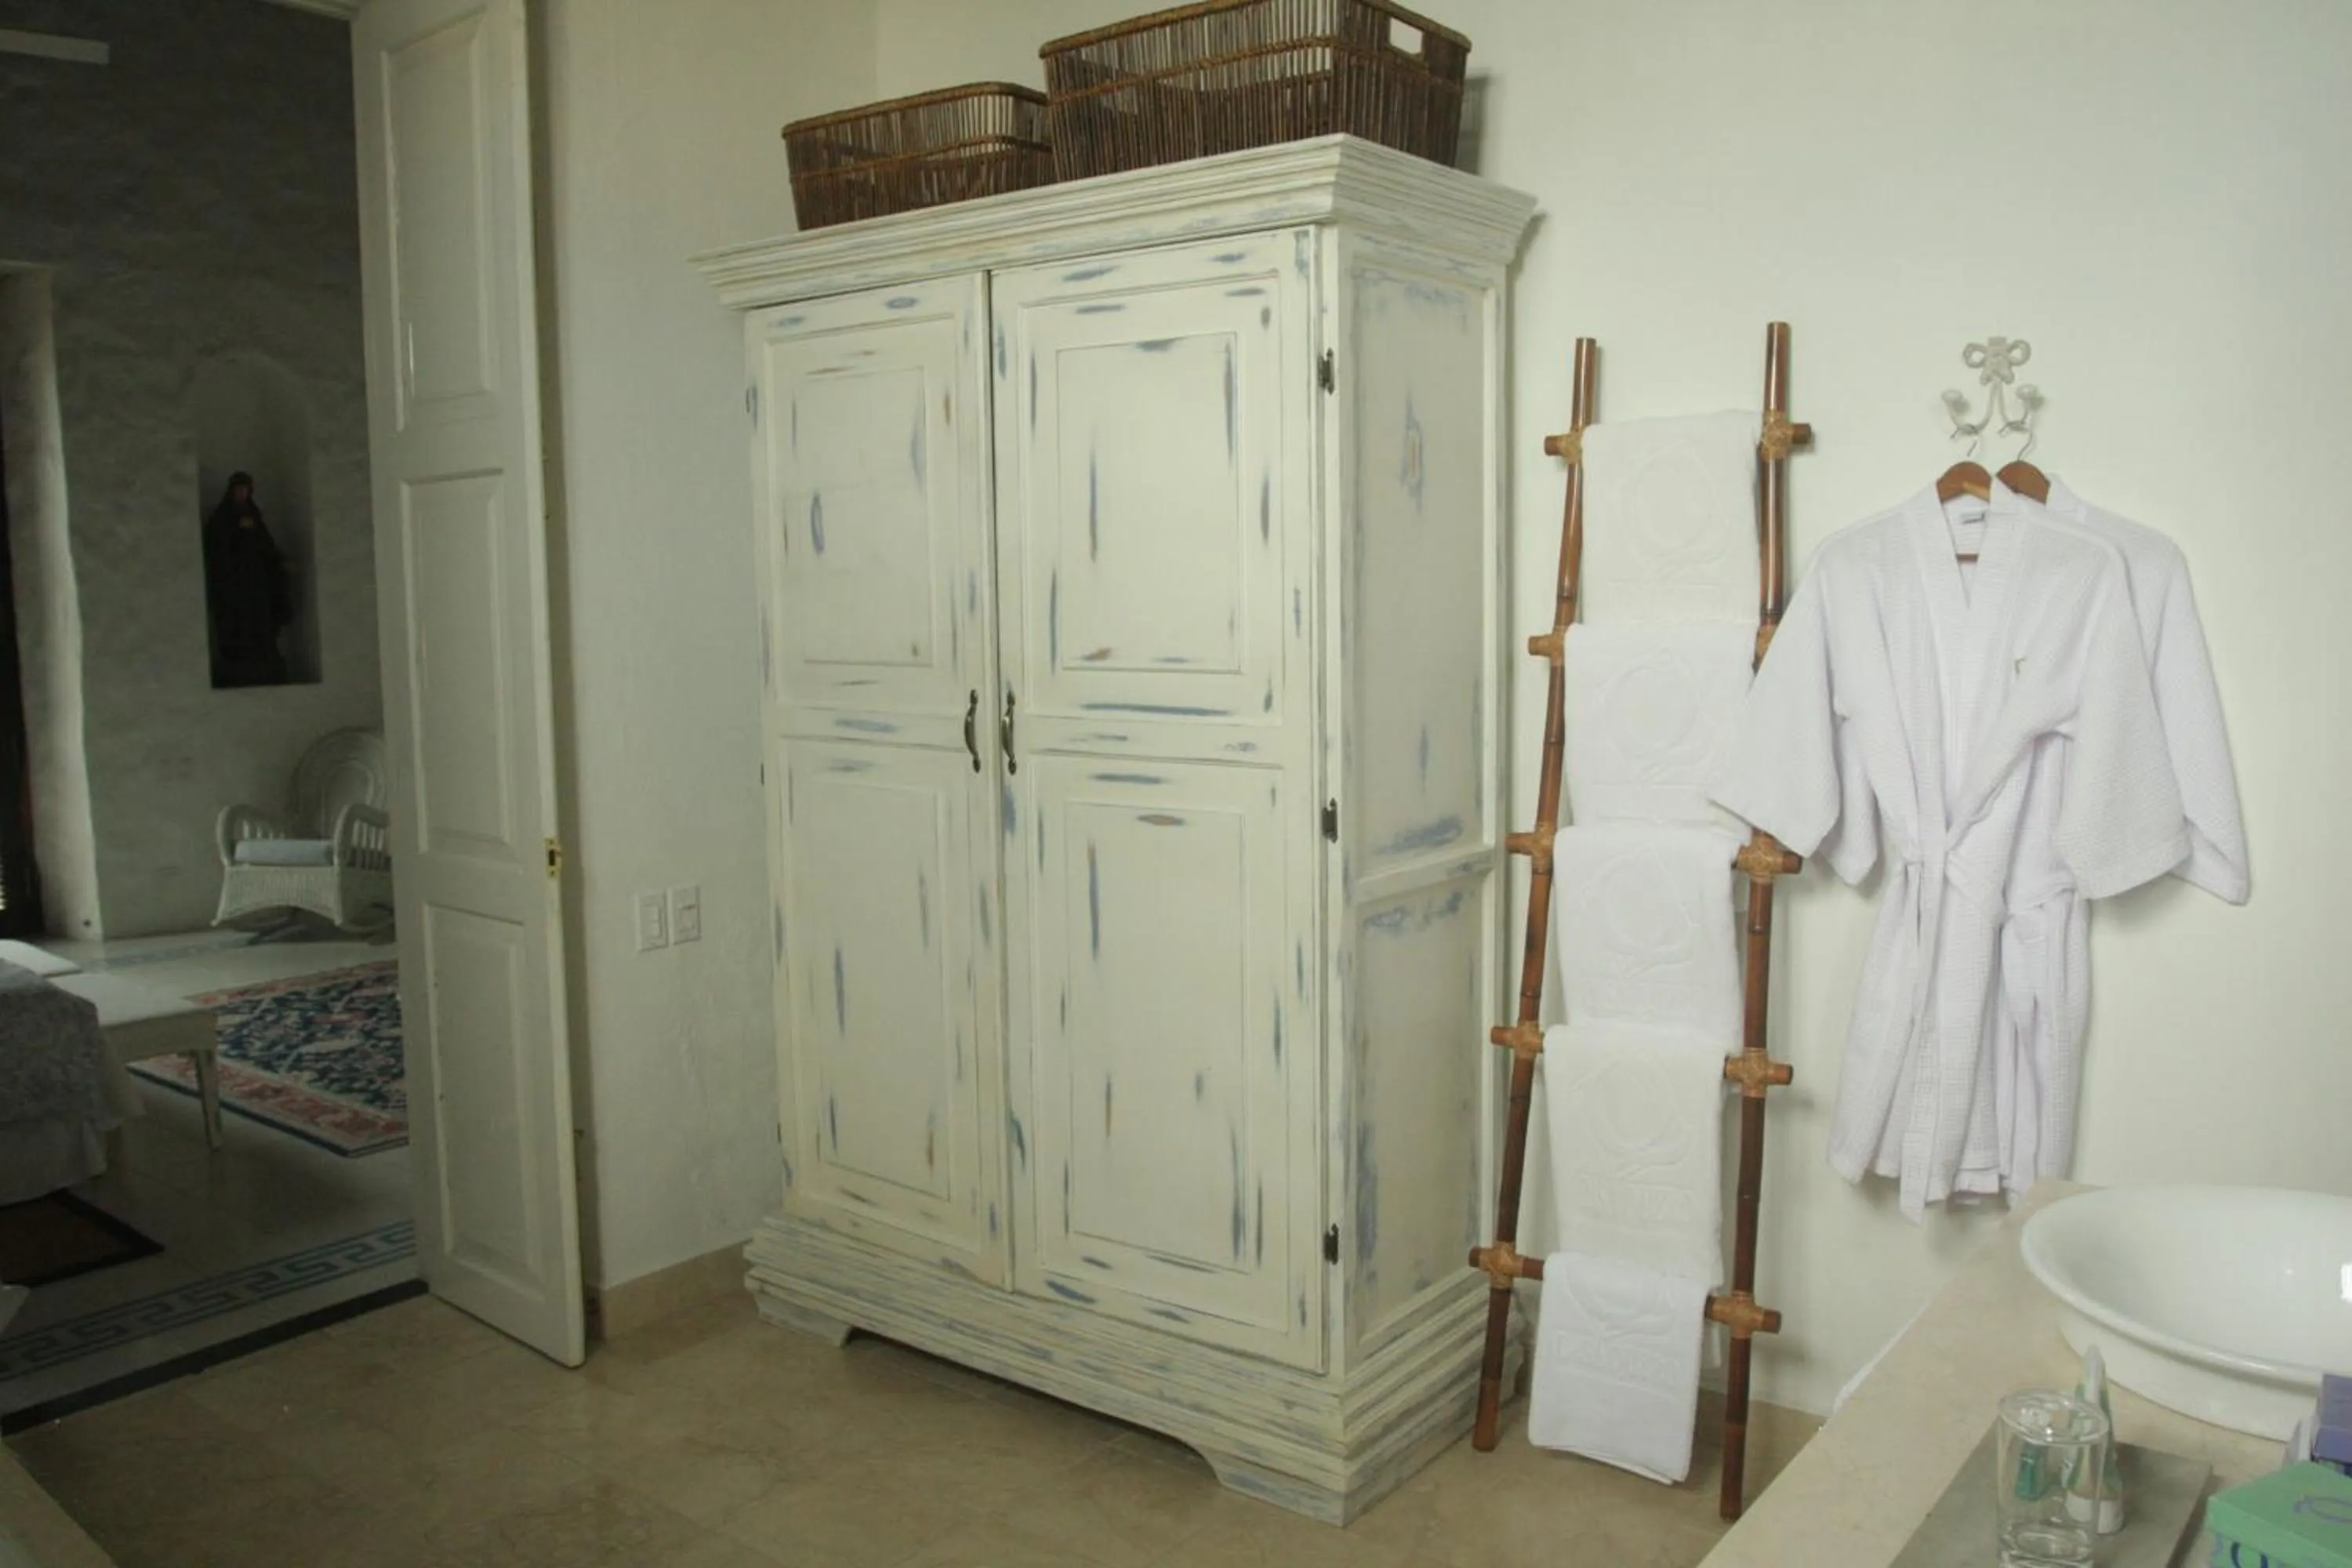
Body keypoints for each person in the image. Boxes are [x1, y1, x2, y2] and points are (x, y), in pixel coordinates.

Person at [202, 472, 293, 687]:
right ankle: (239, 657)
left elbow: (266, 545)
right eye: (239, 490)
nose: (242, 494)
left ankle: (263, 654)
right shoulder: (222, 517)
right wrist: (236, 529)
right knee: (238, 619)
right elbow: (216, 545)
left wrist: (279, 562)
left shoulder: (254, 516)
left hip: (256, 580)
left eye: (246, 490)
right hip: (234, 583)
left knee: (260, 616)